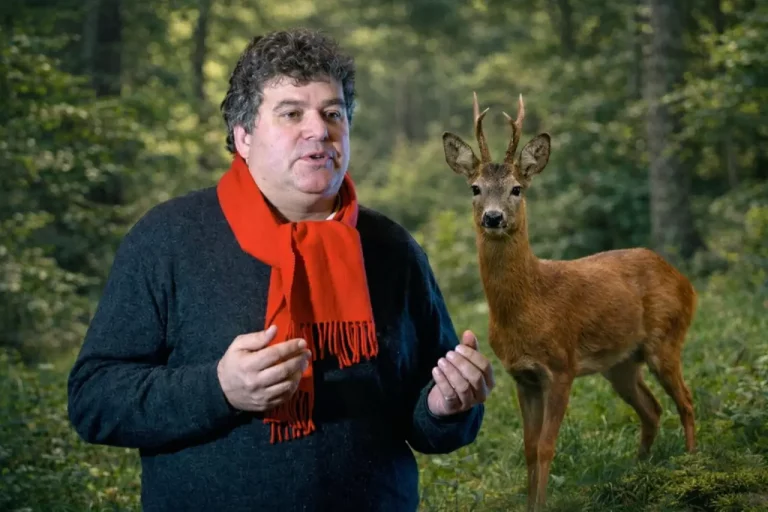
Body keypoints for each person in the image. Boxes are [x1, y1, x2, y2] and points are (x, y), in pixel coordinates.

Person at [67, 27, 495, 512]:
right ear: (243, 136)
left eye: (333, 113)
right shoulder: (167, 238)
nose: (319, 130)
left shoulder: (391, 248)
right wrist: (219, 388)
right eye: (292, 113)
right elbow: (93, 400)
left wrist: (445, 405)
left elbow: (424, 417)